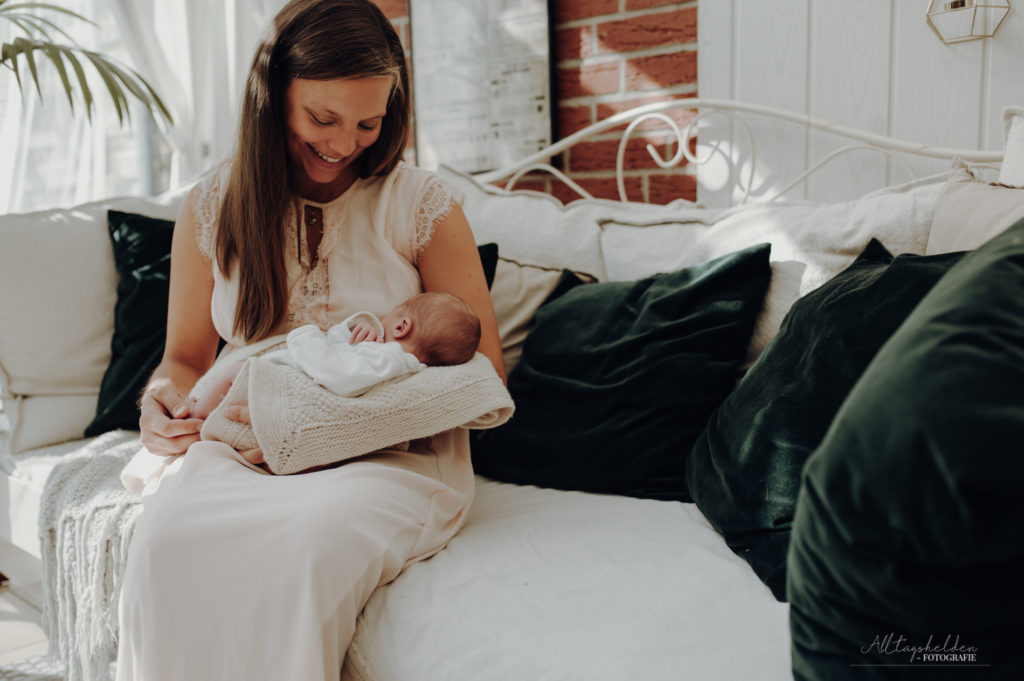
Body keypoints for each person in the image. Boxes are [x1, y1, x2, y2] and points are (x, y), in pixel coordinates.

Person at [117, 0, 504, 678]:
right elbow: (182, 360)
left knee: (306, 549)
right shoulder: (213, 207)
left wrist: (334, 425)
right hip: (240, 444)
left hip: (389, 456)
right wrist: (161, 405)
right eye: (323, 118)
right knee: (163, 545)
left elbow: (483, 374)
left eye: (368, 121)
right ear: (272, 99)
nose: (344, 142)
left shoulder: (419, 204)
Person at [188, 292, 481, 466]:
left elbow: (334, 373)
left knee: (237, 370)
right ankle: (205, 420)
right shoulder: (386, 357)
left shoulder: (387, 359)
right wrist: (351, 330)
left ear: (403, 325)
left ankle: (197, 414)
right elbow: (343, 353)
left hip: (290, 387)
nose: (381, 320)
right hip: (286, 386)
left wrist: (306, 335)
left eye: (390, 316)